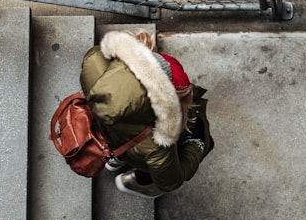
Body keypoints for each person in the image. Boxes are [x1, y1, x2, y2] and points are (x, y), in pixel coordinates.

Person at [79, 30, 214, 198]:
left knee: (119, 135)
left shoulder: (94, 60)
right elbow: (171, 180)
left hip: (104, 127)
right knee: (203, 140)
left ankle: (115, 158)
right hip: (137, 148)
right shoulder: (158, 147)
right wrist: (196, 145)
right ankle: (134, 178)